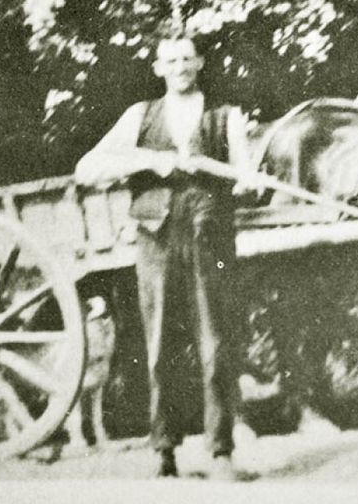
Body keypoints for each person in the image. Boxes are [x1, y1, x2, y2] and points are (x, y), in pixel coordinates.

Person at [75, 38, 252, 480]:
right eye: (171, 60)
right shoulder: (140, 115)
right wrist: (151, 161)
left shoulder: (226, 116)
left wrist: (246, 180)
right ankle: (164, 450)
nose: (180, 66)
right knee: (160, 348)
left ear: (200, 63)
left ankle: (220, 452)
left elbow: (245, 175)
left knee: (215, 346)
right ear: (159, 68)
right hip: (156, 239)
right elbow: (88, 167)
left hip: (209, 238)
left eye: (187, 58)